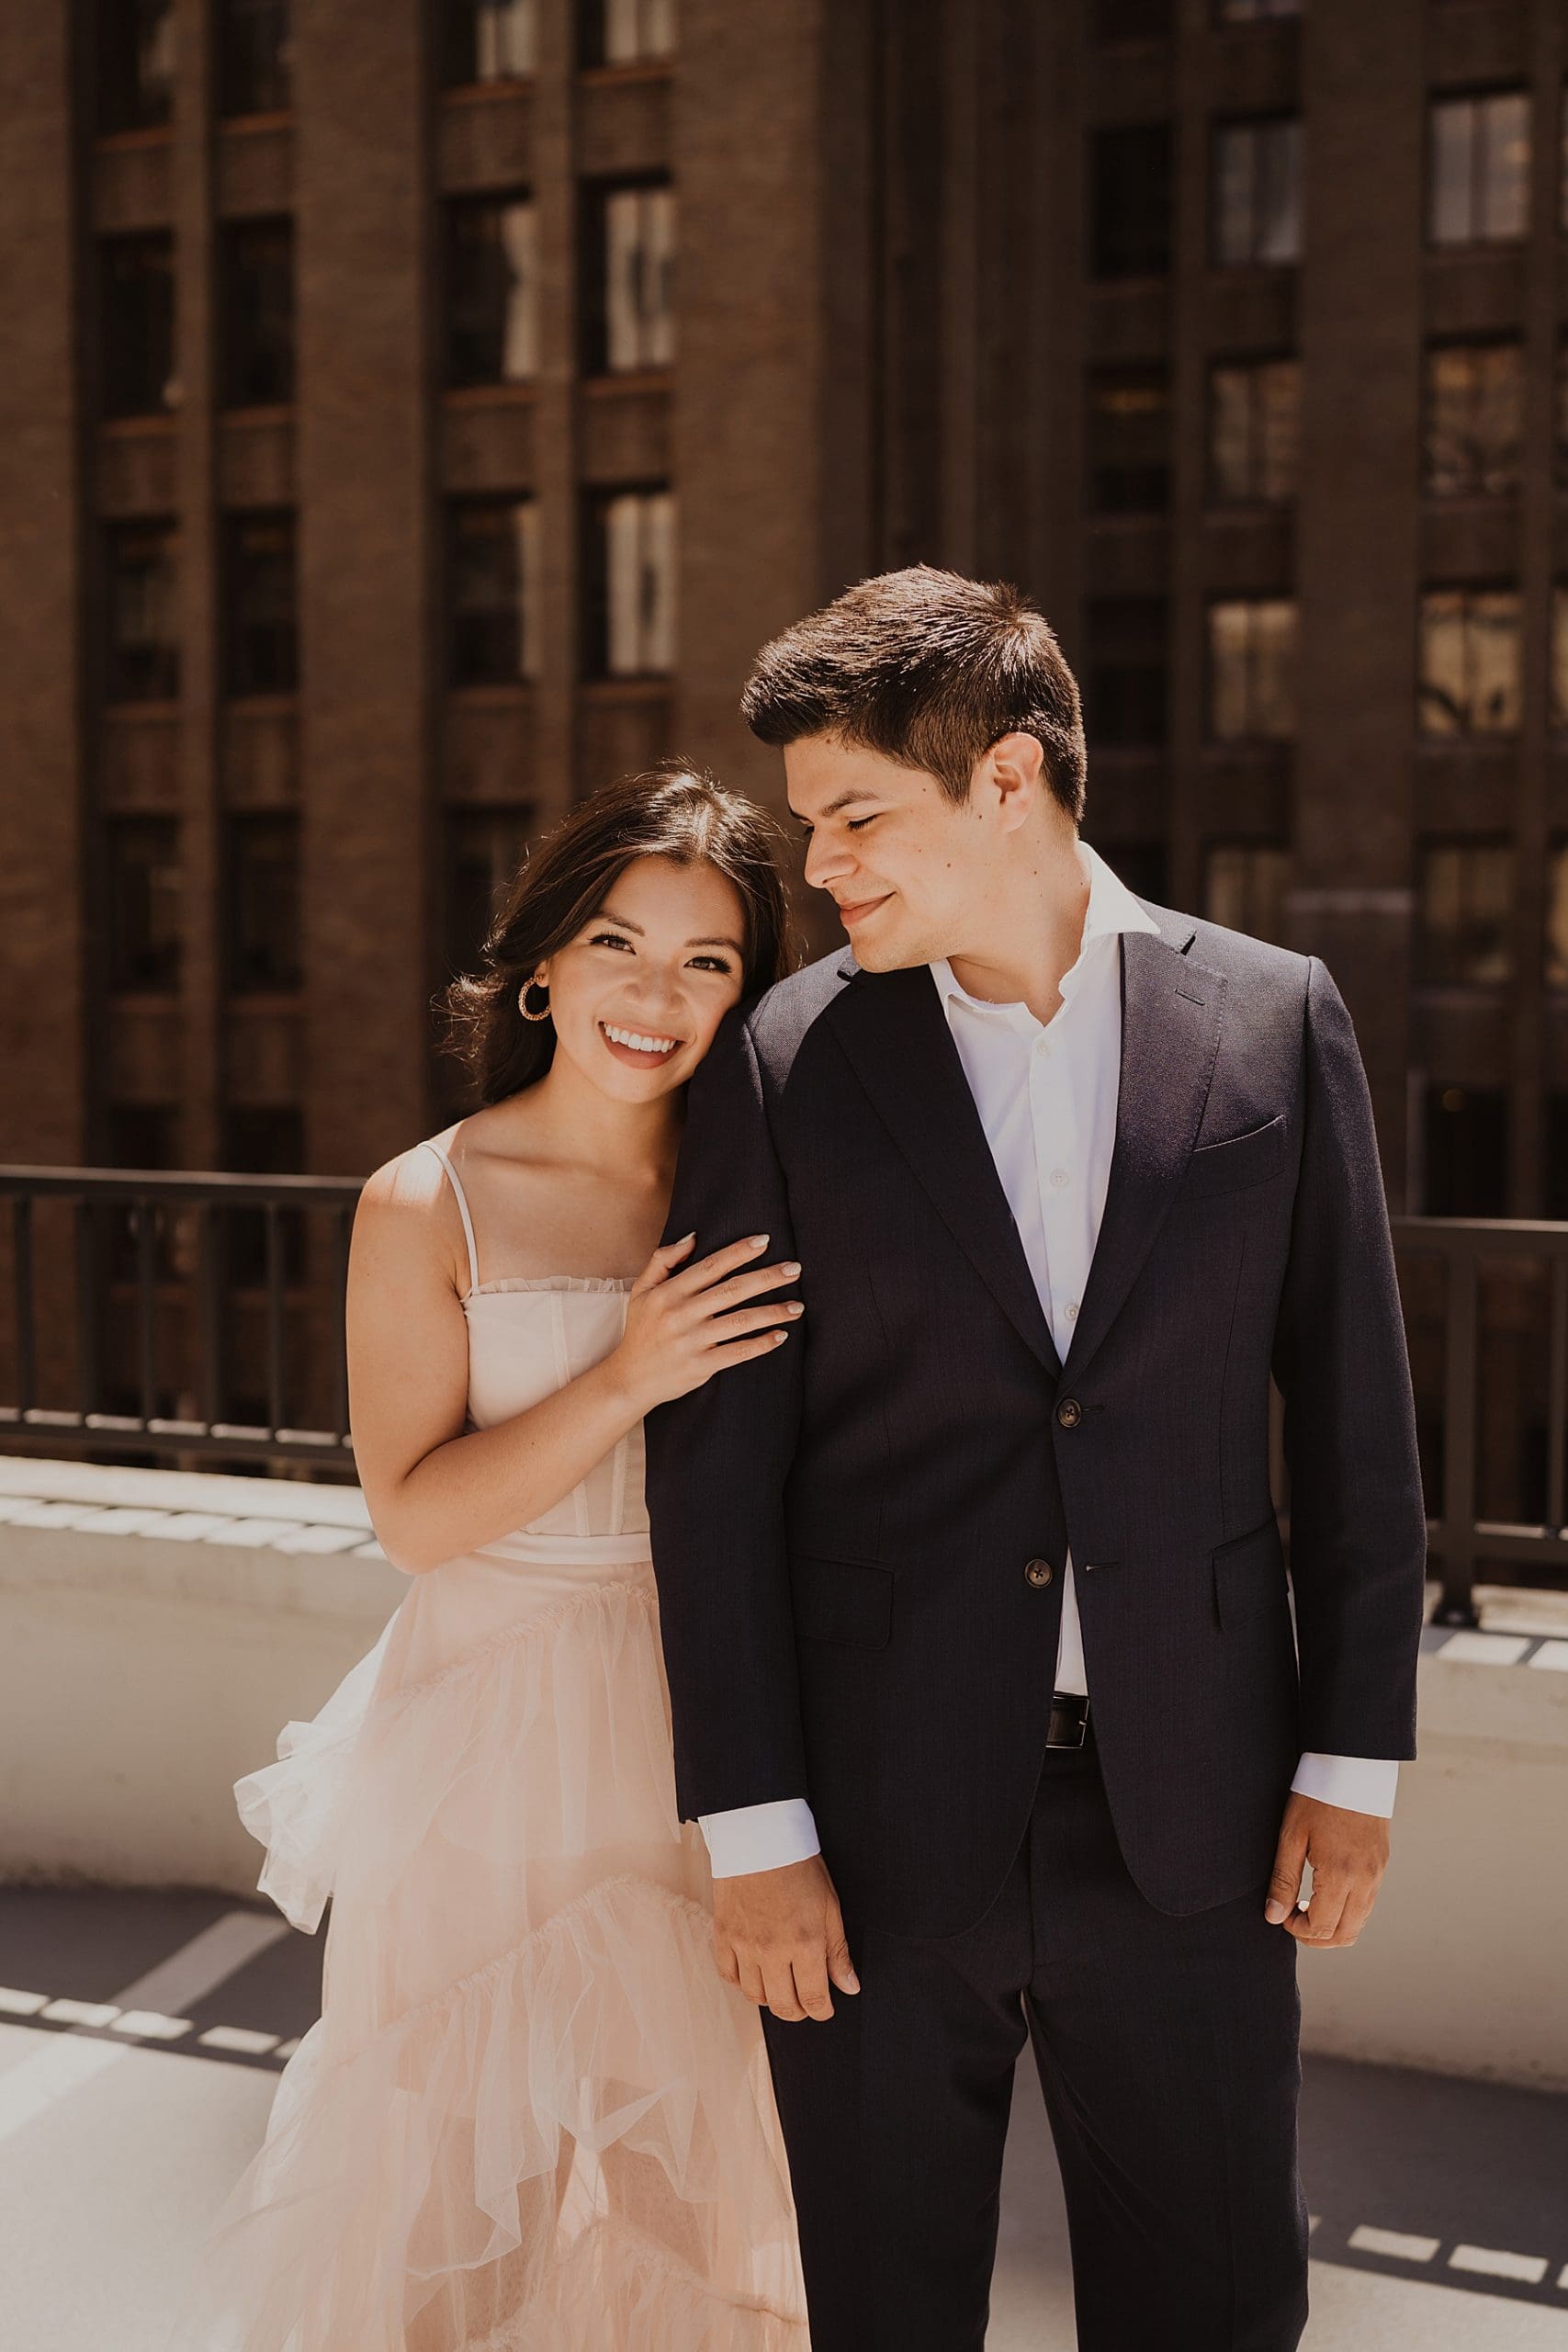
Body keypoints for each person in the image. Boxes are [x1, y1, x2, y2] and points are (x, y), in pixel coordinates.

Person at [645, 569, 1428, 2351]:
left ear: (1005, 779)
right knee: (886, 2316)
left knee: (1217, 2311)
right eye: (808, 825)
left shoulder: (1272, 1020)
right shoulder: (784, 1061)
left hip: (1200, 1822)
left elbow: (1358, 1421)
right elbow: (715, 1467)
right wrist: (750, 1824)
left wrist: (1354, 1758)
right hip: (868, 1831)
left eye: (854, 817)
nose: (820, 865)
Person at [178, 769, 809, 2351]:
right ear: (543, 964)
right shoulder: (428, 1199)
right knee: (466, 2218)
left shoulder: (771, 1183)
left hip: (712, 1730)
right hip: (487, 1749)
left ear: (747, 991)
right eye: (618, 944)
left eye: (707, 962)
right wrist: (623, 1376)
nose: (655, 997)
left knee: (703, 2210)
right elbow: (415, 1516)